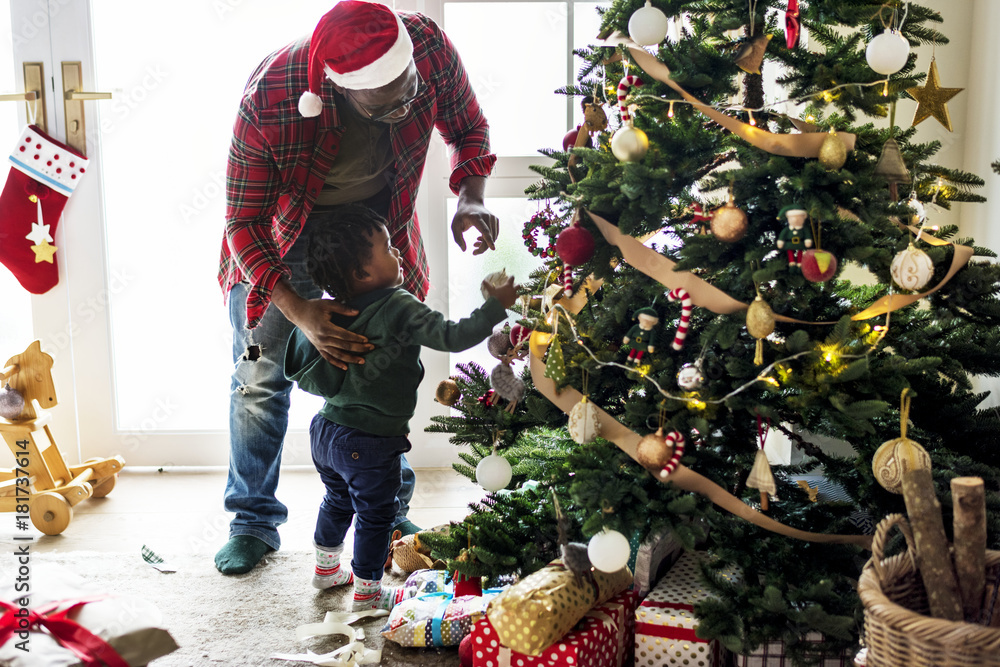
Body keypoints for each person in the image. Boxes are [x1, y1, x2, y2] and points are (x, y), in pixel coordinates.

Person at [216, 0, 500, 575]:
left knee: (382, 369)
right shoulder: (271, 96)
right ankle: (252, 522)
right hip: (283, 242)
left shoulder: (426, 46)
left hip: (376, 231)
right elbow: (242, 222)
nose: (405, 104)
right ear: (338, 89)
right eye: (386, 102)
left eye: (409, 89)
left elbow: (467, 128)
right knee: (259, 380)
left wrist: (470, 197)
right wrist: (297, 310)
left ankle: (389, 511)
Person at [284, 204, 517, 610]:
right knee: (376, 516)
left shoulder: (330, 308)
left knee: (337, 501)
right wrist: (494, 307)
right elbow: (452, 336)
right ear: (362, 273)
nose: (398, 254)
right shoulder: (398, 305)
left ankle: (325, 572)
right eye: (389, 248)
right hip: (370, 442)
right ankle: (369, 594)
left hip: (325, 429)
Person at [775, 204, 812, 270]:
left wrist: (807, 240)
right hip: (789, 244)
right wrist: (780, 241)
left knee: (800, 251)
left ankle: (799, 262)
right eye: (792, 218)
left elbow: (807, 234)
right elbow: (783, 234)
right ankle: (791, 261)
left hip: (800, 243)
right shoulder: (787, 229)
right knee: (790, 251)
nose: (795, 220)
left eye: (798, 218)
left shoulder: (803, 229)